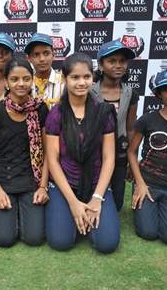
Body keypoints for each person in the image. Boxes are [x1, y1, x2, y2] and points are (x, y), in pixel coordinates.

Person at [45, 53, 119, 254]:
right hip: (65, 186)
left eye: (86, 77)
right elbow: (52, 161)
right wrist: (72, 202)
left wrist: (96, 198)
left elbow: (109, 158)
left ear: (93, 78)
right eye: (75, 77)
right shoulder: (56, 114)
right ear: (64, 78)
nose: (81, 82)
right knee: (60, 242)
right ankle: (74, 216)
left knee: (107, 244)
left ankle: (87, 217)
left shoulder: (104, 112)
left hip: (96, 184)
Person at [0, 57, 49, 248]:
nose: (21, 84)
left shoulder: (40, 109)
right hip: (3, 182)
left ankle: (21, 213)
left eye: (26, 79)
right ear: (6, 81)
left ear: (32, 80)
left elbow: (47, 153)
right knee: (4, 239)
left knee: (34, 239)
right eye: (15, 79)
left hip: (31, 182)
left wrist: (43, 187)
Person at [128, 68, 167, 246]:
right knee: (147, 232)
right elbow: (131, 151)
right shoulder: (147, 120)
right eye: (166, 89)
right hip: (147, 185)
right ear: (159, 93)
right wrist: (140, 183)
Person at [92, 40, 138, 211]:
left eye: (122, 61)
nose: (118, 65)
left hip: (119, 152)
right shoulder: (89, 91)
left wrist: (131, 157)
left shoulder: (130, 93)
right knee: (93, 192)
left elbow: (131, 126)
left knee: (116, 204)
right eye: (112, 61)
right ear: (101, 65)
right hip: (94, 152)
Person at [24, 33, 64, 109]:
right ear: (29, 58)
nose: (42, 59)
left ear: (53, 55)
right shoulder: (24, 83)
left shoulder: (64, 83)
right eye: (36, 54)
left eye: (46, 53)